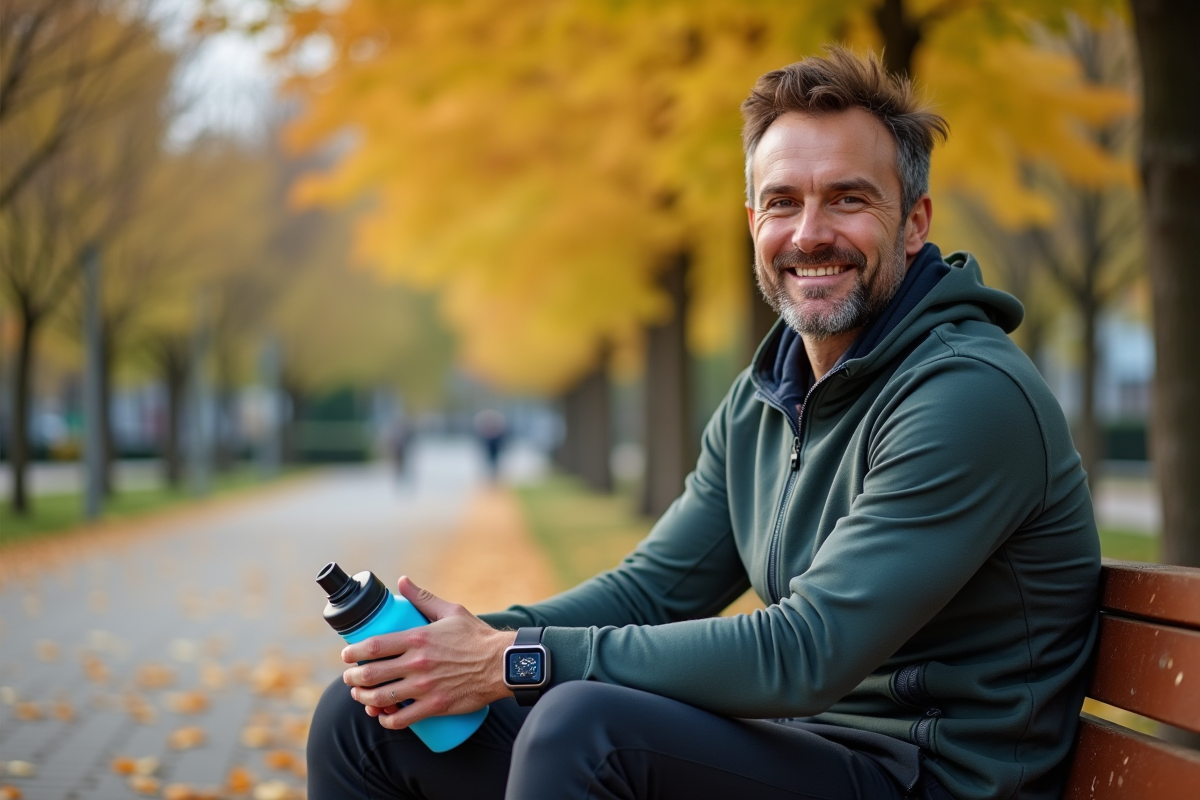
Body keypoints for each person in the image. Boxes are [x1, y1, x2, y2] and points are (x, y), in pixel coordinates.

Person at [307, 48, 1099, 800]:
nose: (810, 232)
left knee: (585, 729)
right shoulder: (768, 395)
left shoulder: (967, 396)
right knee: (367, 722)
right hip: (810, 752)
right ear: (753, 221)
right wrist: (468, 645)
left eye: (849, 198)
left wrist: (515, 663)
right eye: (783, 202)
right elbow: (652, 592)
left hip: (927, 776)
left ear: (916, 221)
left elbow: (806, 650)